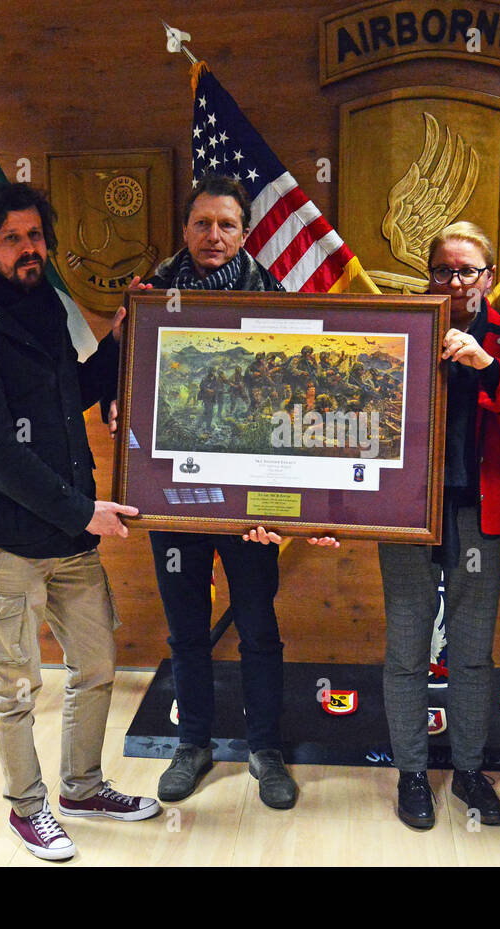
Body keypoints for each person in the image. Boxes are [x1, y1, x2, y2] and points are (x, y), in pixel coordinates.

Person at [0, 182, 158, 862]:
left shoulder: (44, 303)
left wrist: (124, 336)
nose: (30, 249)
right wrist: (82, 510)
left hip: (71, 535)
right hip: (6, 541)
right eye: (12, 239)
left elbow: (75, 394)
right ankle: (26, 811)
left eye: (35, 236)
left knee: (96, 664)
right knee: (16, 684)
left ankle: (82, 787)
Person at [124, 174, 338, 811]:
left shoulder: (278, 300)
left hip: (251, 505)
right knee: (186, 629)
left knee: (258, 628)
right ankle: (192, 743)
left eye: (226, 225)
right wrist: (119, 348)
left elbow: (294, 407)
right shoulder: (149, 299)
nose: (213, 236)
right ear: (185, 230)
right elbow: (125, 397)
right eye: (202, 224)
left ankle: (264, 748)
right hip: (175, 499)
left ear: (245, 234)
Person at [379, 222, 500, 830]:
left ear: (488, 275)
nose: (454, 283)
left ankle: (470, 770)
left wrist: (487, 367)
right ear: (428, 275)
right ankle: (410, 774)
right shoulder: (402, 328)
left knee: (473, 653)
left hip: (479, 513)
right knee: (406, 649)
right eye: (442, 271)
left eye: (467, 271)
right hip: (408, 513)